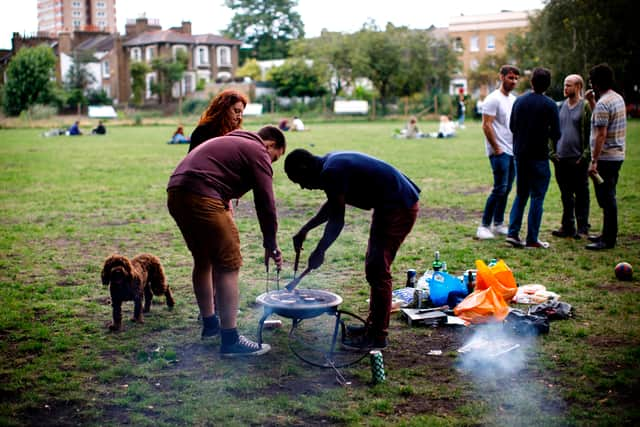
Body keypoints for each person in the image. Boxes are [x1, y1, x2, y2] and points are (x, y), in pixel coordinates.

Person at [167, 126, 286, 357]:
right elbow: (266, 202)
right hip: (202, 195)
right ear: (270, 144)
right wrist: (270, 243)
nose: (271, 163)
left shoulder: (231, 141)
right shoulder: (257, 149)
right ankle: (231, 341)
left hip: (176, 192)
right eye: (275, 158)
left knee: (203, 259)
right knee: (229, 264)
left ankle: (211, 325)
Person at [284, 149, 420, 350]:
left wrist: (320, 250)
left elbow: (337, 220)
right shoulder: (330, 165)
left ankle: (377, 336)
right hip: (389, 205)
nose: (303, 187)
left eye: (299, 181)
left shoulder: (332, 171)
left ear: (305, 168)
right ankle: (372, 327)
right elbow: (333, 204)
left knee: (378, 270)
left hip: (399, 207)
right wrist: (306, 229)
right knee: (374, 267)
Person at [506, 67, 561, 249]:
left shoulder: (519, 102)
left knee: (521, 195)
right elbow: (557, 134)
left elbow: (512, 126)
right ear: (548, 85)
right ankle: (532, 238)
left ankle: (513, 234)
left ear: (531, 82)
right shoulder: (550, 105)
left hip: (520, 155)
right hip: (539, 156)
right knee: (537, 196)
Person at [584, 63, 626, 250]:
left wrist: (594, 161)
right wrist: (592, 102)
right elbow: (601, 119)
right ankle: (607, 233)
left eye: (592, 81)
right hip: (617, 155)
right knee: (609, 196)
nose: (591, 84)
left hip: (606, 158)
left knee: (607, 198)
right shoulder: (616, 98)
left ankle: (608, 239)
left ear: (597, 82)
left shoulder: (604, 103)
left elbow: (601, 133)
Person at [476, 65, 520, 240]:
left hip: (512, 151)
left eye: (516, 78)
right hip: (499, 151)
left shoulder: (514, 100)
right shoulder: (493, 99)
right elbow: (486, 125)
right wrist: (497, 148)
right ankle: (484, 226)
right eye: (510, 78)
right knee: (499, 188)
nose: (514, 81)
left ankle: (499, 223)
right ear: (501, 77)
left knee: (507, 188)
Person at [549, 74, 592, 239]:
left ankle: (583, 228)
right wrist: (552, 153)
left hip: (578, 158)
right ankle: (567, 226)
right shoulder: (559, 106)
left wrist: (586, 155)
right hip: (561, 159)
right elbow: (551, 132)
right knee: (565, 195)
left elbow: (591, 133)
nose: (565, 88)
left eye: (569, 85)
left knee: (581, 194)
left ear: (578, 87)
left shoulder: (585, 106)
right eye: (564, 85)